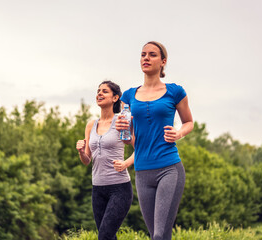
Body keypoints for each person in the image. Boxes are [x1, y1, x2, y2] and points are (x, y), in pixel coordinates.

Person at [116, 41, 194, 240]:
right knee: (156, 235)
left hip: (169, 168)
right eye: (143, 54)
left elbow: (189, 122)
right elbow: (129, 140)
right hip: (142, 171)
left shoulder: (175, 91)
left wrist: (178, 134)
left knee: (159, 235)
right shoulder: (128, 96)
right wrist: (123, 131)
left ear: (163, 62)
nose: (146, 58)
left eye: (152, 55)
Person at [76, 80, 134, 240]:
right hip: (98, 189)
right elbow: (87, 160)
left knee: (105, 236)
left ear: (115, 98)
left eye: (104, 91)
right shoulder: (90, 125)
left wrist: (126, 163)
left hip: (119, 188)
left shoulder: (122, 121)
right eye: (98, 91)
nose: (99, 93)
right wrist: (81, 151)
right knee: (108, 236)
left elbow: (141, 148)